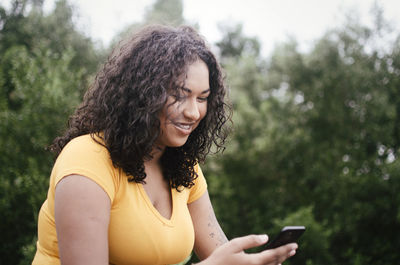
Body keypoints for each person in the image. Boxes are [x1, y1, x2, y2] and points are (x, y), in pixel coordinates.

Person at [32, 24, 298, 265]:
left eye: (202, 98)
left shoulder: (182, 165)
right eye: (180, 96)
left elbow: (220, 254)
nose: (194, 112)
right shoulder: (87, 159)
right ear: (143, 95)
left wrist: (254, 262)